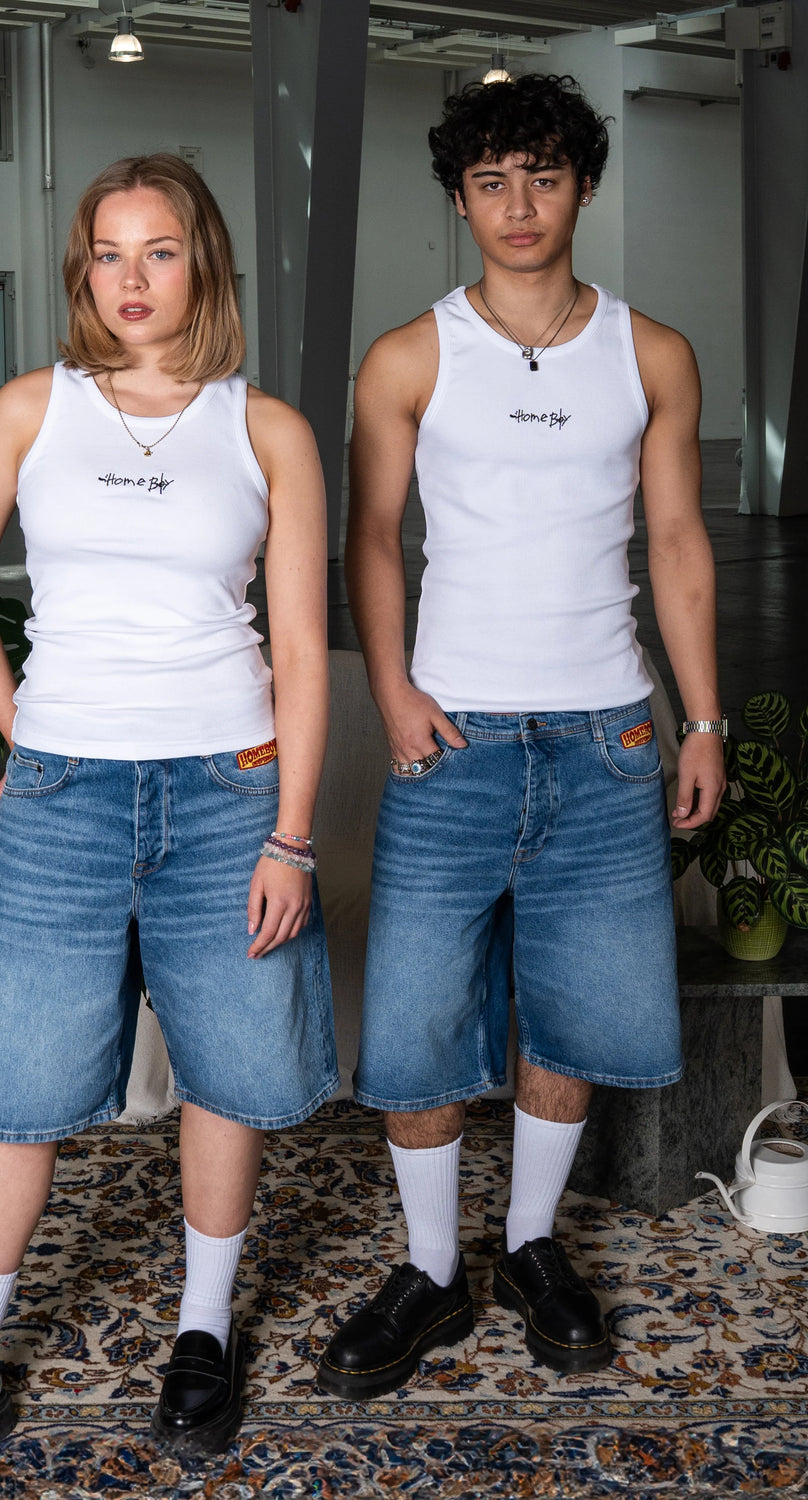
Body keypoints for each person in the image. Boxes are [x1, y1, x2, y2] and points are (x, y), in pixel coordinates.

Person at [0, 153, 336, 1496]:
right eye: (108, 253)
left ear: (202, 262)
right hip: (65, 794)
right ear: (84, 271)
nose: (130, 278)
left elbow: (300, 645)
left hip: (228, 792)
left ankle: (201, 1336)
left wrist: (291, 831)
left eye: (158, 250)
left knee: (227, 1069)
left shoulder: (268, 430)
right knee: (23, 1088)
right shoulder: (31, 406)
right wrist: (28, 734)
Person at [316, 73, 727, 1398]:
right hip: (452, 736)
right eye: (491, 180)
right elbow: (371, 539)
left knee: (575, 1010)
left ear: (583, 187)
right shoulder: (409, 357)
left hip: (608, 736)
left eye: (543, 176)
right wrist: (392, 694)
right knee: (418, 1020)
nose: (519, 204)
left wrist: (701, 718)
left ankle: (533, 1245)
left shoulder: (651, 354)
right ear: (460, 198)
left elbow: (678, 542)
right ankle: (433, 1268)